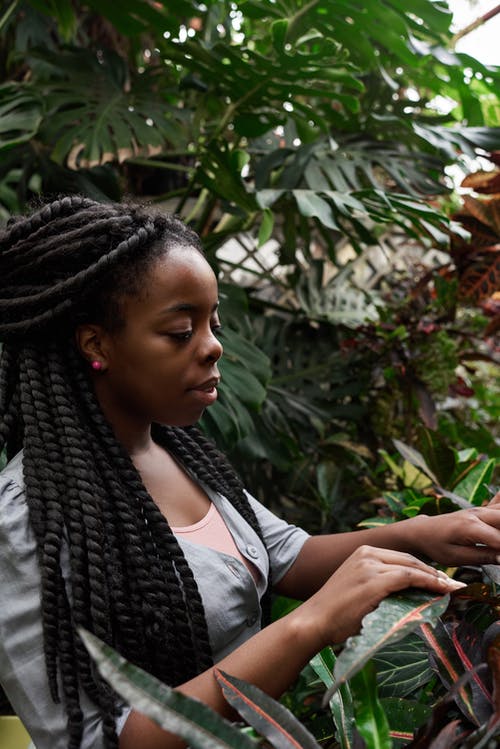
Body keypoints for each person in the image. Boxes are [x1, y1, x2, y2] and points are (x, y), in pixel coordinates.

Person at [1, 196, 500, 749]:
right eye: (179, 331)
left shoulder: (181, 450)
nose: (213, 347)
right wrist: (309, 626)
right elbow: (97, 740)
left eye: (212, 324)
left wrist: (433, 533)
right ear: (97, 343)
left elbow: (283, 555)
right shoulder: (28, 522)